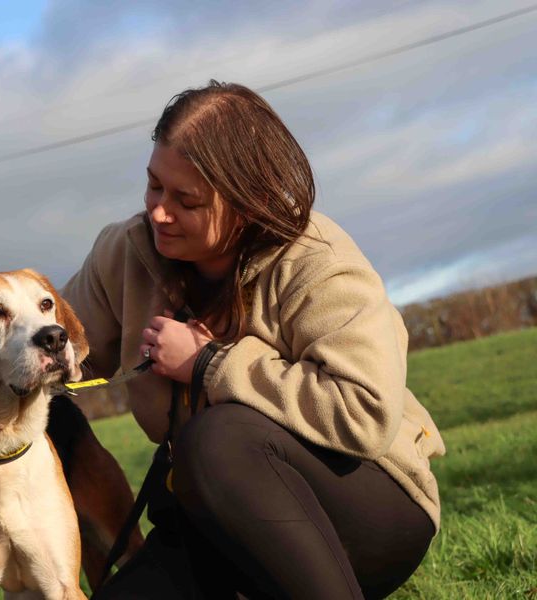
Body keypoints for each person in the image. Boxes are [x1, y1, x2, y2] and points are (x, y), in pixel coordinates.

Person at [60, 81, 445, 599]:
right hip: (213, 521)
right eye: (154, 186)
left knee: (218, 439)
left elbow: (365, 411)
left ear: (246, 202)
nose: (159, 212)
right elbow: (55, 353)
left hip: (367, 506)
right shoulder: (126, 252)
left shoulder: (318, 260)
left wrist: (210, 363)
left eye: (186, 200)